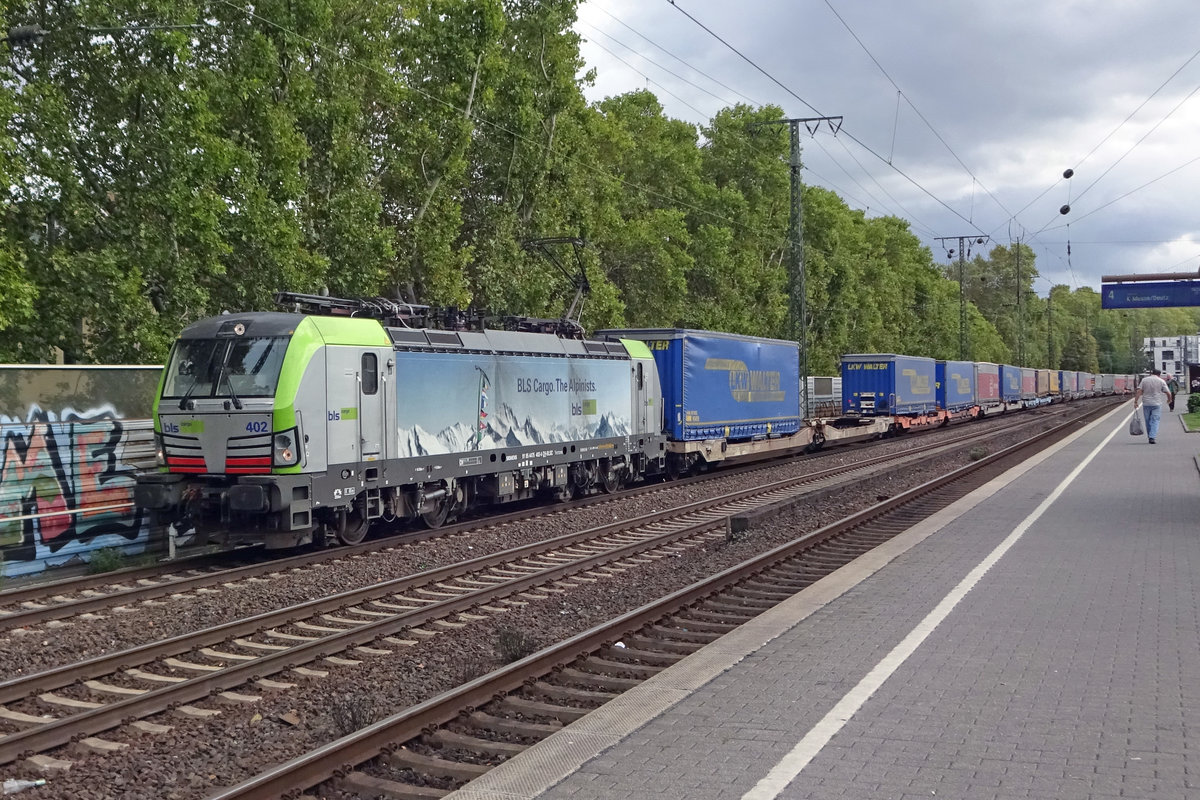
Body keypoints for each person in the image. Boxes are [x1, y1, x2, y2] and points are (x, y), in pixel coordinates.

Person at [1134, 369, 1173, 444]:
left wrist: (1136, 402)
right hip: (1157, 403)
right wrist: (1169, 400)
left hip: (1146, 403)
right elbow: (1168, 392)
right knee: (1155, 420)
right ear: (1159, 374)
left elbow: (1139, 391)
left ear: (1152, 373)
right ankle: (1152, 437)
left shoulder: (1144, 380)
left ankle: (1150, 436)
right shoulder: (1161, 381)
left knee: (1147, 420)